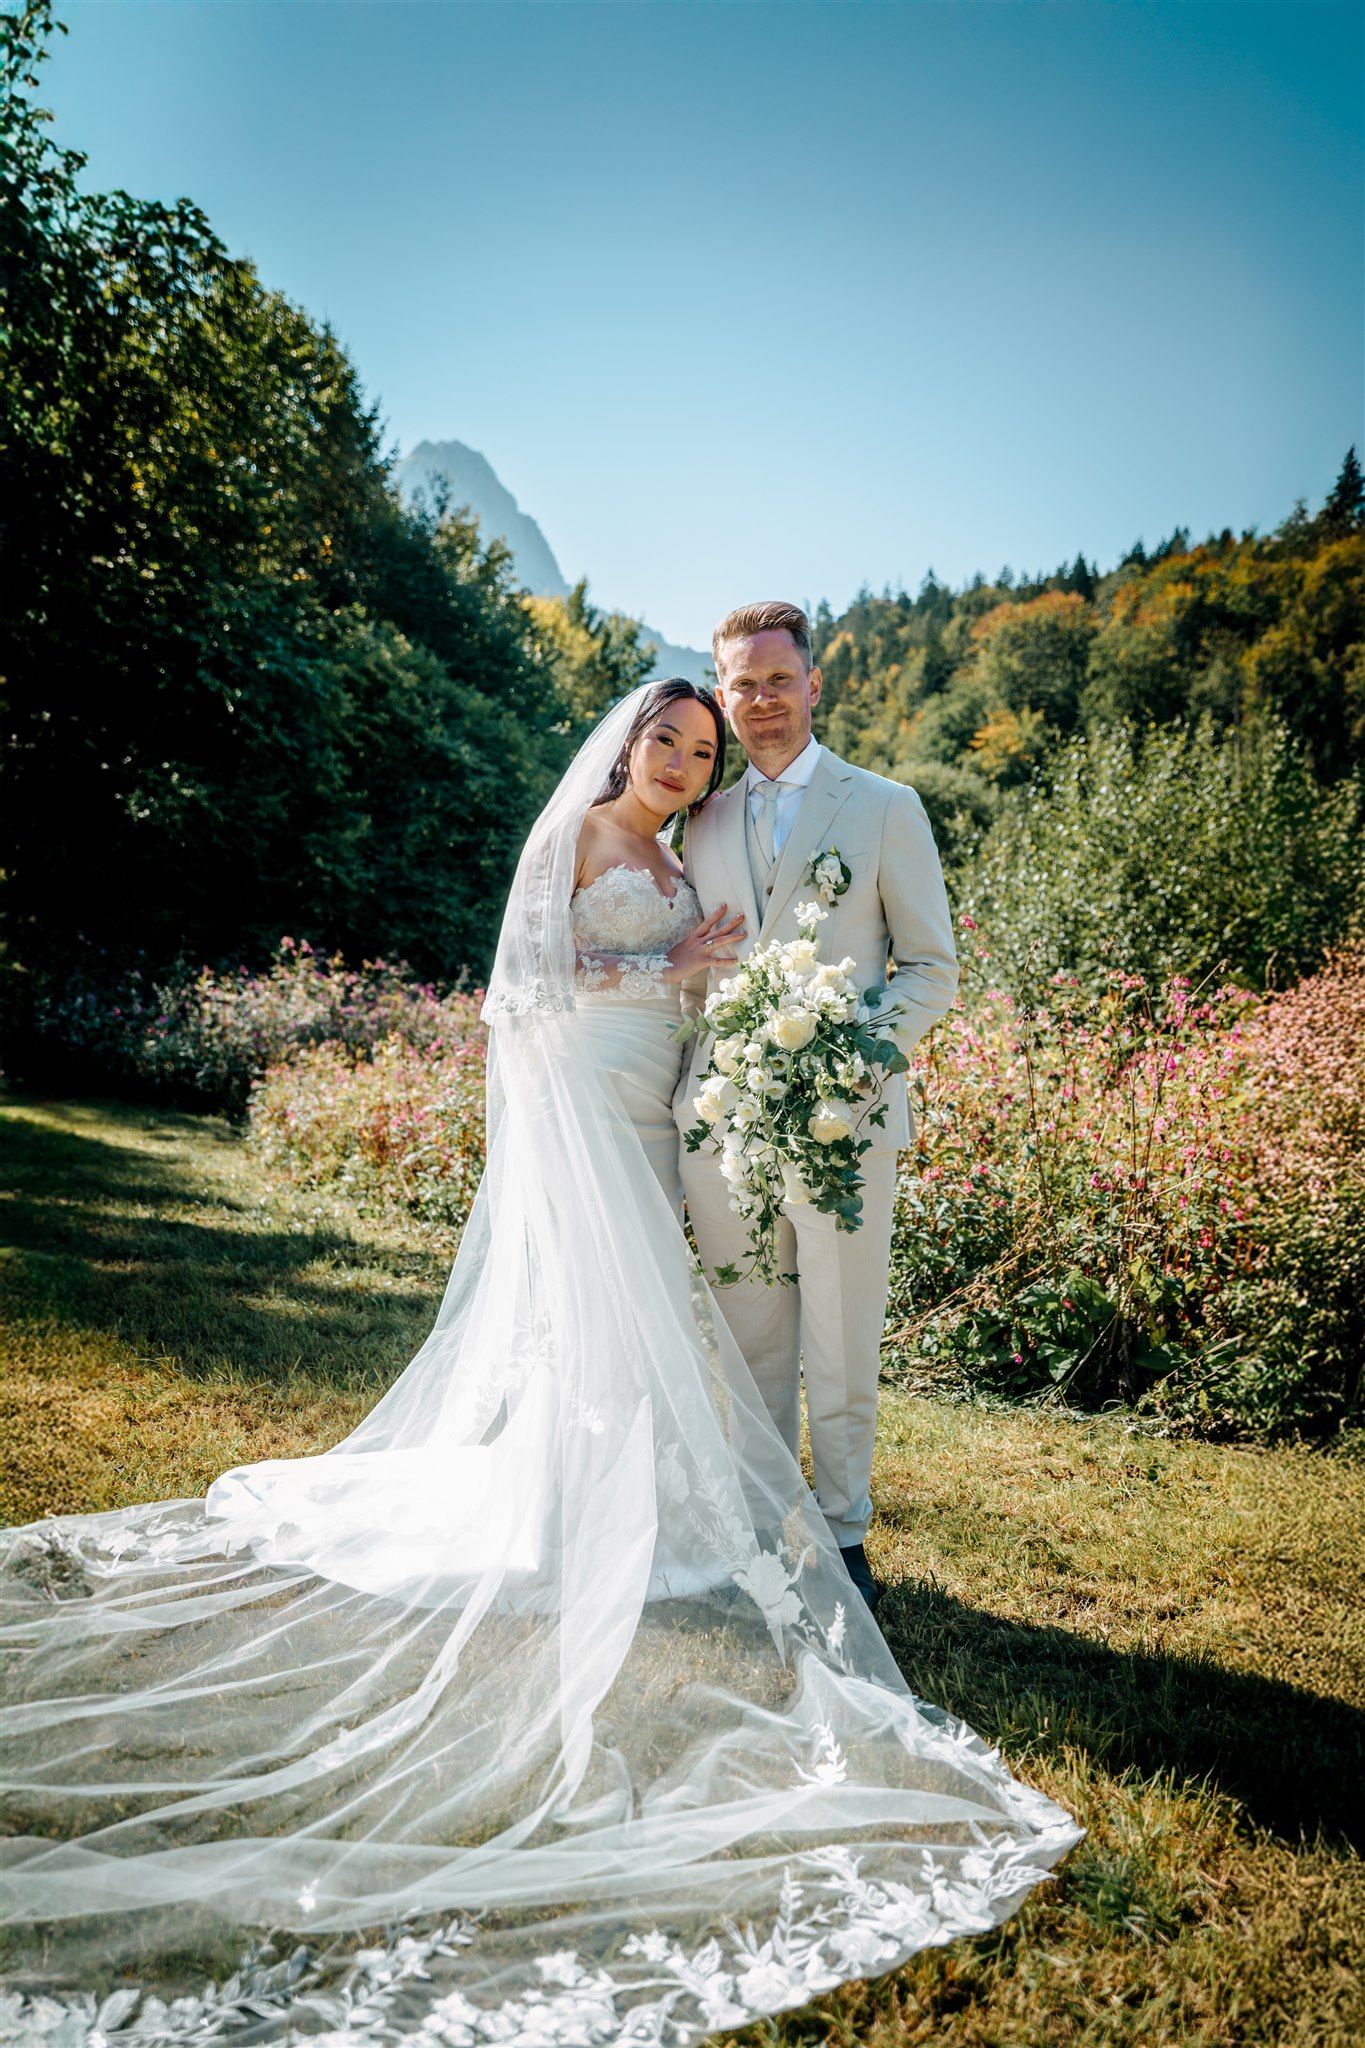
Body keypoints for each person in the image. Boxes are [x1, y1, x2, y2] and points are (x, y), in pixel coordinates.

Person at [0, 679, 1080, 2047]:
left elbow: (713, 979)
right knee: (602, 1299)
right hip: (581, 1091)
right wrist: (673, 972)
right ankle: (583, 1506)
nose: (688, 762)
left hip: (661, 1098)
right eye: (671, 741)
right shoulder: (572, 837)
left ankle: (626, 1489)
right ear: (627, 743)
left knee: (643, 1311)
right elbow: (528, 987)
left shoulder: (690, 855)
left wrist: (733, 1009)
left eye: (702, 749)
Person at [678, 602, 959, 1612]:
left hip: (846, 1124)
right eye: (740, 684)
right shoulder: (699, 817)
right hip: (721, 1128)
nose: (759, 702)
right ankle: (759, 1524)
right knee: (746, 1338)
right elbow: (694, 974)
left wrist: (855, 1054)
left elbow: (931, 969)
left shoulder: (884, 807)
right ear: (722, 692)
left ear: (814, 684)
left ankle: (841, 1536)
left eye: (776, 680)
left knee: (843, 1338)